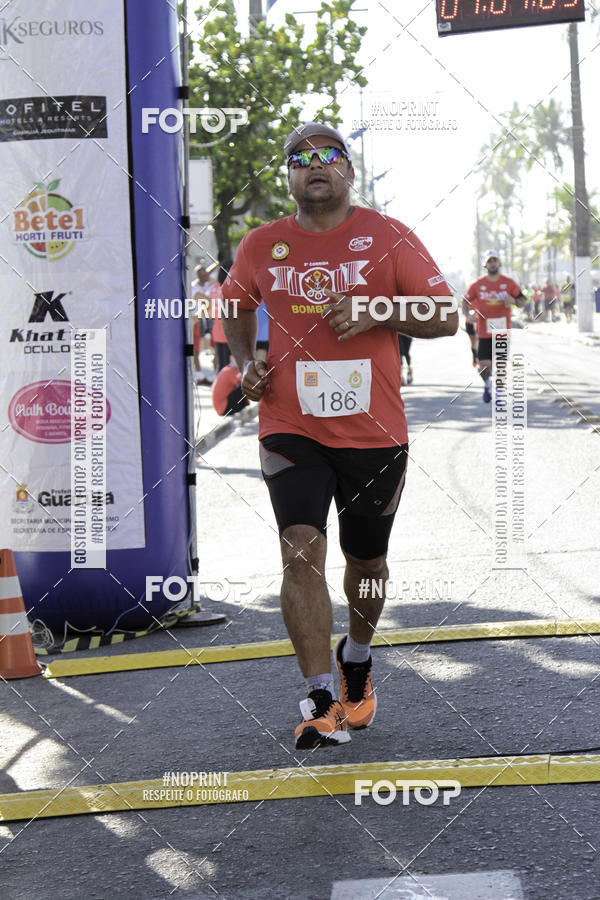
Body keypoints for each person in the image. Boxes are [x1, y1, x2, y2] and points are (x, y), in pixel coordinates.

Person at [222, 121, 458, 750]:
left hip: (375, 433)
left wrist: (377, 308)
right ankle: (321, 695)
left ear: (349, 170)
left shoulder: (389, 236)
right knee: (299, 549)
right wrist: (245, 360)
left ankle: (357, 653)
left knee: (367, 563)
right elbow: (237, 306)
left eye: (329, 155)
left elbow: (447, 316)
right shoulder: (261, 245)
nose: (314, 164)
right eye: (300, 157)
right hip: (290, 425)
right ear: (290, 176)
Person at [464, 251, 525, 404]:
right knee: (484, 366)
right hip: (484, 331)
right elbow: (464, 301)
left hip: (502, 331)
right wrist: (468, 315)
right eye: (489, 261)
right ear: (485, 264)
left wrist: (514, 301)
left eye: (495, 260)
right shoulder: (477, 284)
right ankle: (487, 384)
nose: (492, 263)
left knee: (501, 366)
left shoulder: (509, 283)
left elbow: (523, 300)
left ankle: (499, 393)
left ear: (499, 263)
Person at [211, 259, 233, 372]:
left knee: (221, 363)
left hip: (217, 330)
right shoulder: (231, 288)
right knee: (231, 365)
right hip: (231, 330)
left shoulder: (214, 288)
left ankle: (219, 386)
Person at [462, 297, 478, 366]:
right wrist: (469, 314)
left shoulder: (482, 296)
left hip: (479, 323)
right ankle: (474, 357)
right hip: (469, 323)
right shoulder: (468, 298)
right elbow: (464, 309)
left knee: (479, 340)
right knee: (473, 341)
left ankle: (479, 357)